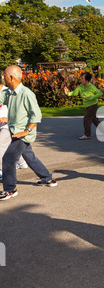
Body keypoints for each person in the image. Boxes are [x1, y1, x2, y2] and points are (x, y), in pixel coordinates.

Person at [0, 65, 57, 201]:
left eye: (5, 76)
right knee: (30, 157)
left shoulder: (26, 93)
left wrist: (26, 131)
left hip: (22, 134)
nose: (4, 78)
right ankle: (48, 178)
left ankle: (10, 189)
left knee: (8, 158)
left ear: (11, 77)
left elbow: (36, 115)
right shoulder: (10, 93)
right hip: (15, 131)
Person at [64, 72, 104, 140]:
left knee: (86, 119)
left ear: (87, 80)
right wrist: (68, 93)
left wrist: (92, 97)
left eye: (82, 78)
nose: (81, 80)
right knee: (94, 120)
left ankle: (87, 135)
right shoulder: (81, 86)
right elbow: (75, 92)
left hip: (93, 105)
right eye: (81, 78)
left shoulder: (91, 87)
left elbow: (100, 93)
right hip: (87, 106)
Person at [0, 81, 28, 182]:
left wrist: (7, 118)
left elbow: (18, 110)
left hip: (8, 125)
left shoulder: (8, 92)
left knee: (1, 145)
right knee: (14, 146)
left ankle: (1, 171)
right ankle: (21, 161)